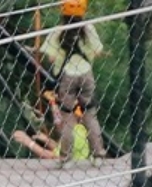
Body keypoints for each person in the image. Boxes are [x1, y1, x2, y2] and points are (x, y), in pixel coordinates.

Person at [42, 0, 106, 161]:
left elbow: (51, 57)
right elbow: (98, 51)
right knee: (90, 115)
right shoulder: (88, 28)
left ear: (62, 10)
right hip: (86, 74)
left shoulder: (58, 32)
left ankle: (65, 157)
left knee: (67, 117)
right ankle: (98, 154)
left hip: (66, 77)